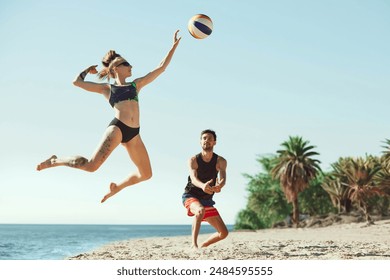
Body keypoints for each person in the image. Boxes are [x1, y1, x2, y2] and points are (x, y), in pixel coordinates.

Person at [37, 30, 181, 203]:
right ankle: (56, 160)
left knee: (146, 174)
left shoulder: (136, 85)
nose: (131, 67)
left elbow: (161, 68)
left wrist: (173, 47)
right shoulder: (108, 89)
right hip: (118, 129)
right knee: (91, 166)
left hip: (134, 134)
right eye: (127, 64)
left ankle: (116, 188)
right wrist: (86, 70)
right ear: (116, 68)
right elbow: (77, 82)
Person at [182, 129, 228, 248]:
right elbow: (193, 178)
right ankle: (194, 244)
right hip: (191, 195)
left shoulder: (220, 161)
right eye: (204, 138)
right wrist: (203, 186)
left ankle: (203, 245)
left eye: (209, 138)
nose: (206, 140)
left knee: (223, 233)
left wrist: (219, 186)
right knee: (200, 210)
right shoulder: (193, 160)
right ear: (200, 142)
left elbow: (223, 178)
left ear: (214, 142)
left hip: (207, 199)